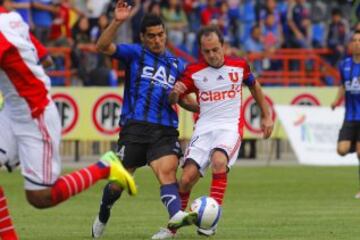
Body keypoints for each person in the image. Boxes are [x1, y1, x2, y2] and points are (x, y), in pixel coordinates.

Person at [0, 1, 137, 239]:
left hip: (35, 115)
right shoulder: (12, 20)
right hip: (14, 110)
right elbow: (47, 60)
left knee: (41, 197)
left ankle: (105, 167)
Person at [152, 25, 274, 239]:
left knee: (219, 161)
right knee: (186, 179)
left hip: (229, 127)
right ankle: (171, 230)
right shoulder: (193, 72)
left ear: (223, 46)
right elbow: (175, 98)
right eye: (206, 51)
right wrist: (175, 94)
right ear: (201, 50)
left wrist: (266, 115)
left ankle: (211, 220)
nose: (212, 55)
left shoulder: (239, 66)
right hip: (204, 129)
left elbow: (255, 87)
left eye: (215, 49)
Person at [91, 1, 200, 239]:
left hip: (164, 130)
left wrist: (200, 106)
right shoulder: (134, 54)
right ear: (143, 38)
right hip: (134, 129)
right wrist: (118, 20)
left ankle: (174, 223)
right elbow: (102, 46)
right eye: (151, 37)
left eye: (161, 35)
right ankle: (103, 211)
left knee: (167, 174)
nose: (157, 40)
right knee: (116, 186)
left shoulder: (178, 65)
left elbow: (184, 100)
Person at [331, 30, 360, 199]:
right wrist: (336, 101)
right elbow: (343, 85)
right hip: (349, 116)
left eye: (359, 40)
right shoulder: (344, 64)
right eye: (354, 40)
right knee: (341, 150)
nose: (357, 43)